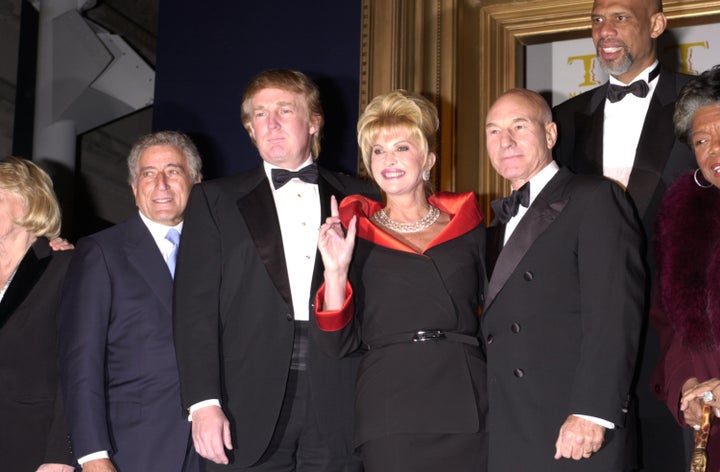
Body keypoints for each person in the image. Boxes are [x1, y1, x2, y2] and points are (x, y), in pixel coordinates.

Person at [172, 69, 379, 471]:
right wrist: (203, 403)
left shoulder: (364, 198)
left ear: (314, 121)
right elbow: (193, 311)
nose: (272, 123)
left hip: (340, 390)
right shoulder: (213, 201)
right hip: (243, 401)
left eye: (285, 110)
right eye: (260, 115)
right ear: (250, 129)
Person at [552, 0, 697, 467]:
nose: (605, 31)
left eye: (620, 18)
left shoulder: (704, 105)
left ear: (657, 24)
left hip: (677, 342)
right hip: (590, 347)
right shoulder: (564, 119)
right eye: (597, 20)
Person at [312, 90, 488, 471]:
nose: (388, 160)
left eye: (402, 147)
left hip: (465, 399)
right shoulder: (352, 234)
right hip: (390, 405)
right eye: (377, 151)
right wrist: (336, 271)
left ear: (428, 160)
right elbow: (335, 345)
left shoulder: (470, 227)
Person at [482, 88, 644, 470]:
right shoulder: (492, 225)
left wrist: (593, 412)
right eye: (493, 131)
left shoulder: (594, 197)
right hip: (509, 427)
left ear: (550, 135)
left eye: (519, 126)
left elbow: (614, 314)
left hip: (574, 428)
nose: (505, 141)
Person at [56, 131, 203, 472]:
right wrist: (93, 456)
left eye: (173, 171)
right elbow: (81, 362)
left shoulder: (221, 252)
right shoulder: (101, 252)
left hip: (210, 450)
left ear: (196, 181)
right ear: (134, 188)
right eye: (148, 175)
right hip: (131, 449)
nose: (161, 184)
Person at [650, 64, 720, 471]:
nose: (713, 152)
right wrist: (686, 390)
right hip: (709, 436)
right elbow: (673, 327)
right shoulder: (679, 216)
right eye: (701, 140)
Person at [0, 156, 75, 472]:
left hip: (31, 448)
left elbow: (77, 370)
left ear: (29, 203)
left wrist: (60, 454)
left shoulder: (67, 268)